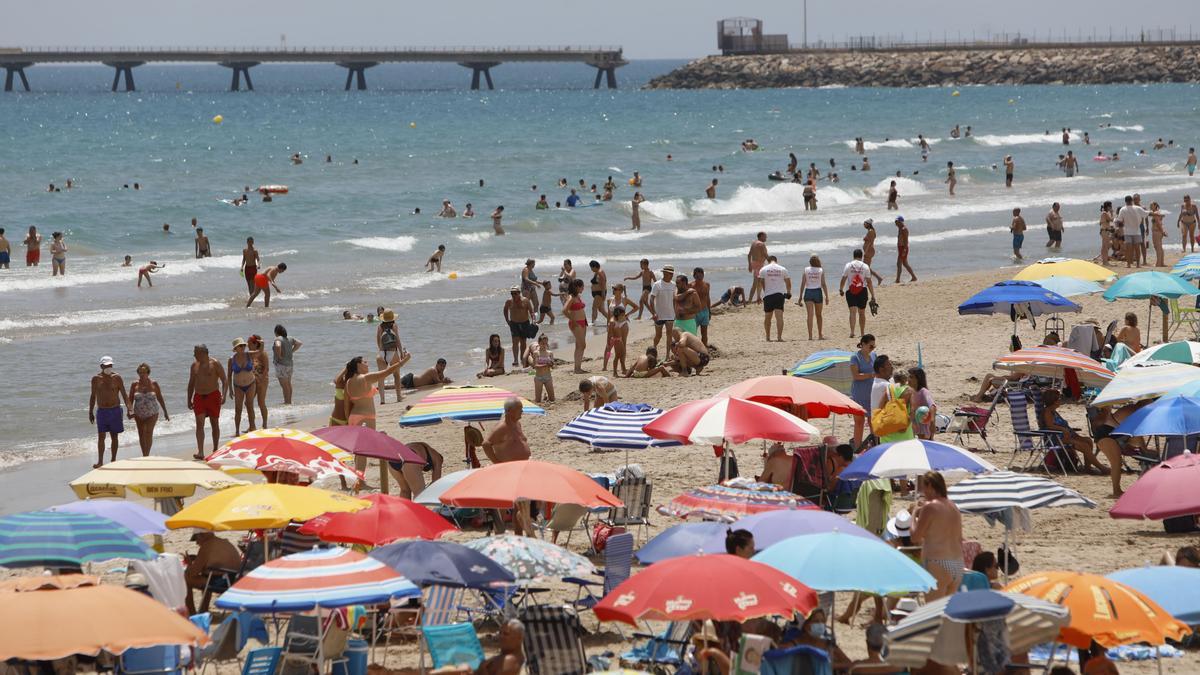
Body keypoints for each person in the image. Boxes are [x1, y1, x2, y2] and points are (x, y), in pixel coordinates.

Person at [482, 398, 534, 535]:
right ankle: (499, 533)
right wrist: (497, 463)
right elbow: (486, 444)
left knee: (520, 504)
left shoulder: (517, 424)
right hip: (508, 470)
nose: (522, 411)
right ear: (510, 411)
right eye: (519, 409)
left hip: (521, 469)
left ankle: (518, 533)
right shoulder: (502, 427)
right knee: (504, 503)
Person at [911, 471, 964, 601]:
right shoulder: (953, 507)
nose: (923, 492)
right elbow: (959, 538)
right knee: (947, 614)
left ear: (930, 486)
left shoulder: (930, 507)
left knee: (933, 612)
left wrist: (913, 514)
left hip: (937, 562)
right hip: (957, 564)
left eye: (924, 487)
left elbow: (915, 537)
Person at [1041, 389, 1109, 474]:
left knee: (1088, 440)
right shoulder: (1047, 411)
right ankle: (1101, 468)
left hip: (1066, 435)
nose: (1060, 400)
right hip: (1058, 438)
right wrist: (1063, 429)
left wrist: (1070, 432)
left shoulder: (1053, 411)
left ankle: (1088, 468)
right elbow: (1049, 425)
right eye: (1059, 398)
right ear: (1054, 401)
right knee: (1084, 445)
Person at [345, 353, 409, 430]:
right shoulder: (366, 378)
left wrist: (348, 422)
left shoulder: (348, 382)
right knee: (368, 441)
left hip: (353, 417)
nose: (367, 365)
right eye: (365, 362)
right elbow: (387, 372)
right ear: (358, 365)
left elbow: (346, 406)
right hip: (365, 418)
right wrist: (404, 360)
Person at [184, 532, 241, 615]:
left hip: (222, 582)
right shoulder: (224, 542)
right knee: (206, 575)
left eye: (197, 539)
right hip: (235, 580)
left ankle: (192, 614)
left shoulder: (207, 546)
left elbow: (193, 573)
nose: (196, 543)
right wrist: (198, 559)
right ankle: (203, 610)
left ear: (202, 535)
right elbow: (216, 561)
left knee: (186, 578)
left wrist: (189, 564)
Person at [187, 345, 227, 460]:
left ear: (203, 353)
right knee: (199, 424)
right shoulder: (194, 366)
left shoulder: (215, 363)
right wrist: (188, 399)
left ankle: (215, 448)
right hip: (199, 397)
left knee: (215, 423)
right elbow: (191, 384)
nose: (194, 355)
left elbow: (224, 380)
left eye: (196, 352)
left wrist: (224, 395)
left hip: (213, 396)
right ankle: (201, 451)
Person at [89, 356, 130, 468]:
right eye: (106, 365)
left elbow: (124, 394)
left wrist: (129, 409)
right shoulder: (96, 379)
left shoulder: (117, 377)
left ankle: (113, 460)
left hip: (115, 410)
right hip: (102, 411)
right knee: (101, 436)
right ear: (101, 366)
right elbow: (93, 396)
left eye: (110, 365)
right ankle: (100, 461)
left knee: (114, 436)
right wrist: (90, 412)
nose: (109, 367)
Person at [224, 338, 258, 435]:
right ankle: (237, 431)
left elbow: (260, 351)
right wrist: (230, 390)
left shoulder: (249, 355)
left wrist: (261, 343)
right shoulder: (231, 359)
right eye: (240, 346)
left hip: (251, 384)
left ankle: (253, 428)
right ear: (235, 348)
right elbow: (229, 375)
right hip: (238, 386)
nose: (243, 347)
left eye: (244, 345)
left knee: (250, 407)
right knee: (238, 409)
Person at [840, 249, 876, 339]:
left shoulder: (848, 265)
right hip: (862, 290)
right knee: (862, 313)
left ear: (853, 256)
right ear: (861, 256)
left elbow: (843, 278)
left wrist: (841, 289)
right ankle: (862, 332)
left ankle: (852, 332)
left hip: (850, 290)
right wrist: (873, 295)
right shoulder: (865, 266)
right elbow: (869, 282)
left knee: (852, 312)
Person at [849, 335, 876, 448]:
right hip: (859, 394)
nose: (873, 348)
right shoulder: (855, 357)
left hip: (872, 393)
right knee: (859, 423)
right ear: (863, 344)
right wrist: (871, 375)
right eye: (871, 346)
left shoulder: (874, 355)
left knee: (873, 422)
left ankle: (874, 445)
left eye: (874, 346)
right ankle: (857, 447)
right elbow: (855, 376)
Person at [504, 286, 537, 368]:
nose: (513, 295)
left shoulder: (525, 300)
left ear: (519, 293)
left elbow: (532, 312)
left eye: (515, 293)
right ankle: (515, 360)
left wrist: (534, 321)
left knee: (523, 342)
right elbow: (505, 310)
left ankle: (523, 358)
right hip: (514, 324)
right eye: (512, 293)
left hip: (524, 323)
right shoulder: (509, 301)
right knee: (515, 342)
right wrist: (507, 321)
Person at [376, 310, 404, 403]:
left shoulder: (379, 327)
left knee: (381, 377)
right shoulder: (394, 326)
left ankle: (382, 400)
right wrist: (401, 352)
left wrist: (382, 352)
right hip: (393, 353)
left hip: (382, 353)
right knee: (396, 375)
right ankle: (399, 397)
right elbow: (398, 340)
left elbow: (378, 342)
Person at [798, 255, 828, 340]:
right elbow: (823, 284)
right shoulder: (820, 270)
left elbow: (803, 283)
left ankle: (810, 336)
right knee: (819, 315)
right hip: (818, 292)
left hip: (808, 292)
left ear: (810, 262)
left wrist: (800, 296)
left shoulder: (806, 270)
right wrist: (827, 296)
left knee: (810, 315)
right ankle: (820, 335)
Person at [562, 278, 589, 373]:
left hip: (583, 322)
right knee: (582, 345)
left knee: (579, 346)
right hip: (576, 323)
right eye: (582, 286)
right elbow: (564, 310)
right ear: (577, 287)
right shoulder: (571, 297)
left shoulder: (577, 296)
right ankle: (577, 368)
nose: (583, 288)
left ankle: (578, 368)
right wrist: (573, 320)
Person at [649, 265, 677, 352]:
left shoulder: (674, 285)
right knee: (658, 335)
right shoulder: (657, 285)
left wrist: (676, 312)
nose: (671, 275)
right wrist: (653, 313)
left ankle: (667, 355)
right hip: (659, 315)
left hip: (670, 315)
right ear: (664, 273)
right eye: (669, 273)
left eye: (672, 273)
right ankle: (654, 347)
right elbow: (651, 298)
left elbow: (675, 300)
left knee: (669, 335)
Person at [273, 324, 300, 404]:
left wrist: (279, 355)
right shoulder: (290, 338)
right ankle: (289, 401)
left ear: (276, 332)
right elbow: (299, 343)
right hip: (289, 364)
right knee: (288, 384)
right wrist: (292, 351)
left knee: (284, 386)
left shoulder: (277, 339)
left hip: (281, 365)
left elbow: (278, 346)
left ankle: (287, 402)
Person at [247, 335, 270, 427]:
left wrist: (261, 379)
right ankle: (252, 425)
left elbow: (266, 368)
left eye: (249, 343)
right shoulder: (251, 354)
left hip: (262, 380)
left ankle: (264, 424)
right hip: (252, 381)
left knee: (261, 402)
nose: (248, 345)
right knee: (248, 402)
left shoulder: (263, 353)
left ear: (255, 344)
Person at [909, 367, 937, 440]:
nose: (908, 379)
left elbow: (932, 406)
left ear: (918, 379)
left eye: (911, 377)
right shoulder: (908, 392)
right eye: (908, 377)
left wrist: (932, 422)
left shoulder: (923, 391)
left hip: (924, 426)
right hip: (914, 424)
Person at [526, 334, 555, 403]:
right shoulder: (536, 353)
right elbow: (536, 366)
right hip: (538, 377)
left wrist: (551, 364)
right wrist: (546, 364)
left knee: (552, 399)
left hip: (548, 377)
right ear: (539, 343)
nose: (544, 345)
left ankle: (546, 397)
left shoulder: (550, 353)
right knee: (538, 400)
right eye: (542, 343)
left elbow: (552, 366)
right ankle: (544, 397)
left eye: (546, 343)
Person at [605, 306, 630, 376]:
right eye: (622, 315)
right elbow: (609, 334)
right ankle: (615, 372)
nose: (623, 317)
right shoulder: (612, 322)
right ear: (617, 314)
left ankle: (624, 369)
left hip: (620, 340)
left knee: (622, 354)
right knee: (617, 356)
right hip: (616, 340)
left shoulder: (618, 319)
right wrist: (608, 343)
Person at [860, 220, 886, 285]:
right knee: (866, 267)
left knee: (865, 267)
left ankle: (870, 280)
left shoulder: (871, 232)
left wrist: (866, 251)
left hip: (869, 251)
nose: (864, 225)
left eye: (865, 224)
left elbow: (870, 242)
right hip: (868, 250)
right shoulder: (869, 231)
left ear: (868, 224)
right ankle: (878, 278)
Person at [692, 267, 713, 345]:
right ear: (694, 276)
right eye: (697, 277)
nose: (699, 278)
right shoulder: (690, 285)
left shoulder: (707, 285)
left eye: (701, 276)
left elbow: (708, 298)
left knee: (704, 334)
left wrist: (709, 311)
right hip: (695, 312)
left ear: (703, 275)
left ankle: (704, 351)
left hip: (705, 311)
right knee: (693, 333)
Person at [747, 232, 768, 303]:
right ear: (761, 236)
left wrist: (749, 265)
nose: (766, 238)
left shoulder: (754, 243)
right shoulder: (761, 244)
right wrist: (772, 263)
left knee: (759, 282)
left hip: (754, 264)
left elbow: (749, 255)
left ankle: (758, 298)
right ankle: (751, 300)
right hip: (759, 265)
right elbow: (765, 255)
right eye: (765, 236)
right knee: (759, 282)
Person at [894, 217, 916, 283]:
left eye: (897, 222)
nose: (895, 223)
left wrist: (904, 250)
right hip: (900, 248)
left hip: (903, 248)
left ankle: (897, 280)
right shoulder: (900, 229)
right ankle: (914, 277)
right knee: (905, 264)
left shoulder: (904, 229)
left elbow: (906, 241)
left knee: (899, 264)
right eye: (895, 222)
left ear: (901, 222)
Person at [1149, 201, 1166, 267]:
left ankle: (1158, 263)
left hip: (1156, 231)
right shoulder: (1158, 213)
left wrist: (1162, 231)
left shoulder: (1156, 213)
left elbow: (1158, 224)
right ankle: (1161, 262)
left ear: (1155, 205)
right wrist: (1163, 231)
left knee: (1157, 247)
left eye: (1151, 205)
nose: (1150, 207)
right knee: (1159, 247)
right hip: (1158, 231)